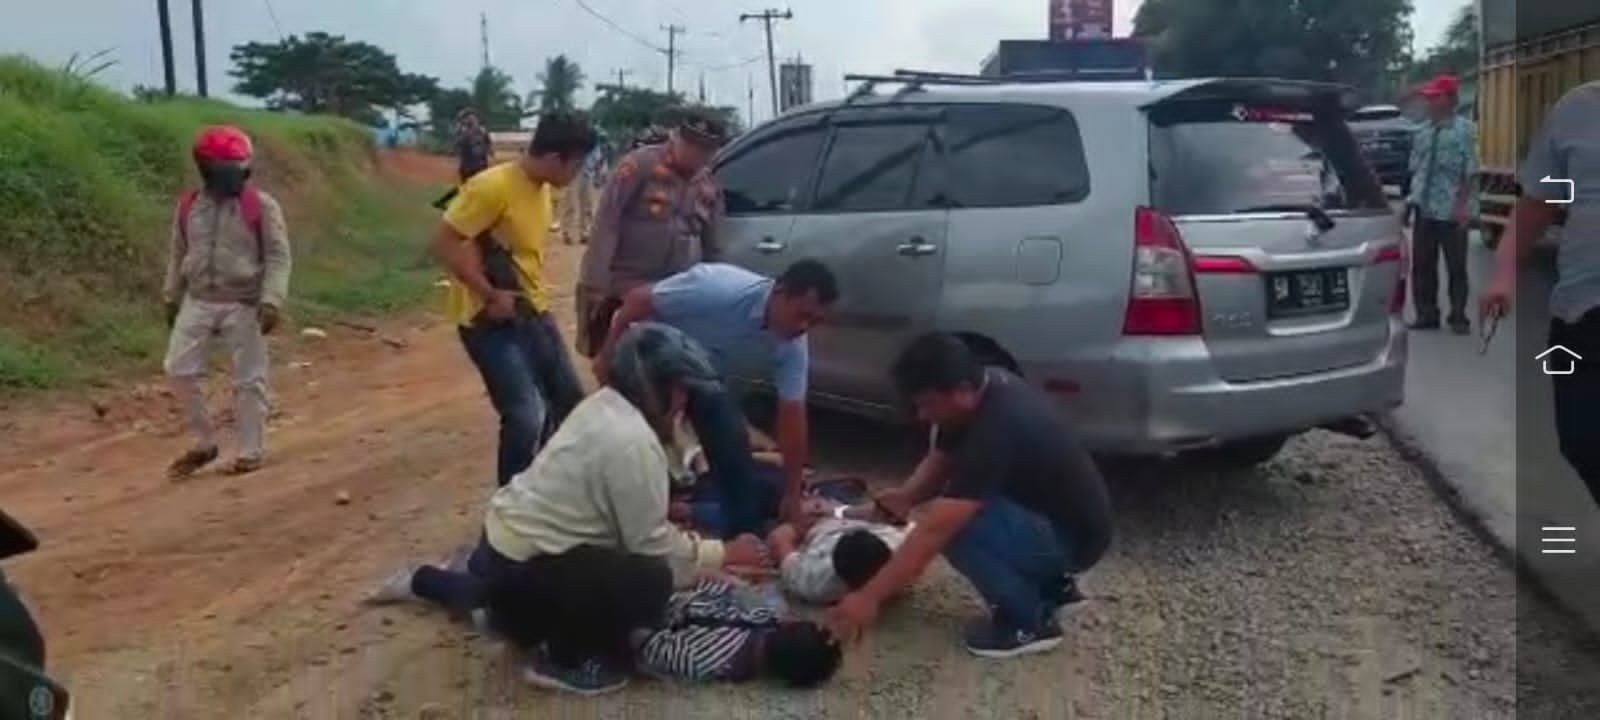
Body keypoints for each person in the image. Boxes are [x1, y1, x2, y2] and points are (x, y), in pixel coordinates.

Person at [365, 323, 772, 692]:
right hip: (524, 568)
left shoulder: (606, 406)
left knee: (512, 600)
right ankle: (564, 660)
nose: (684, 402)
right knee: (650, 584)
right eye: (680, 390)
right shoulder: (633, 442)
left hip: (508, 552)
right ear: (655, 388)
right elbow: (650, 546)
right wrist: (722, 553)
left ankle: (442, 583)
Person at [825, 333, 1113, 659]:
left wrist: (868, 597)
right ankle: (1054, 587)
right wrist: (906, 497)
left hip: (1072, 540)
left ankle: (1028, 622)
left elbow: (935, 531)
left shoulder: (997, 428)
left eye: (927, 404)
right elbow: (943, 456)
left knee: (956, 528)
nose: (921, 415)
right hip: (1059, 517)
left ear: (961, 391)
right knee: (953, 508)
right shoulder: (985, 388)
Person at [592, 260, 840, 537]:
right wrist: (608, 355)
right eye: (801, 315)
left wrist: (792, 495)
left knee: (732, 444)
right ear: (780, 292)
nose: (804, 327)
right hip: (650, 360)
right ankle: (622, 509)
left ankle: (741, 531)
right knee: (638, 443)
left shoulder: (792, 345)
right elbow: (637, 300)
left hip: (702, 376)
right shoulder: (717, 289)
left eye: (814, 322)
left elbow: (792, 417)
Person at [432, 110, 596, 487]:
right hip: (486, 320)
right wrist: (489, 293)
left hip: (532, 309)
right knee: (526, 415)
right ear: (555, 158)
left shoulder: (542, 189)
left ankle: (552, 489)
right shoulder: (491, 187)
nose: (578, 174)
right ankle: (512, 502)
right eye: (576, 165)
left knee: (569, 404)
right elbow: (445, 242)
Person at [1481, 81, 1600, 505]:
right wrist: (1502, 275)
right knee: (1580, 438)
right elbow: (1536, 205)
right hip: (1582, 311)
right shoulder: (1576, 109)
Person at [162, 125, 292, 478]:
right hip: (199, 299)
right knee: (178, 370)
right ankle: (205, 443)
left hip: (245, 302)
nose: (240, 176)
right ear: (207, 169)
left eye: (243, 168)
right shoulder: (189, 206)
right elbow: (178, 253)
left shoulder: (261, 206)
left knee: (249, 379)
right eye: (232, 169)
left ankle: (251, 451)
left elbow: (278, 257)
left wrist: (272, 300)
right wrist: (171, 296)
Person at [576, 110, 729, 358]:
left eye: (704, 150)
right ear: (676, 137)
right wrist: (595, 283)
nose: (695, 154)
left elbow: (714, 247)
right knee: (617, 361)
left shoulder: (708, 186)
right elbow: (607, 222)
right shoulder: (639, 166)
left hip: (673, 293)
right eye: (690, 145)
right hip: (624, 288)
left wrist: (716, 290)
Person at [485, 543, 675, 696]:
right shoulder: (558, 583)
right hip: (644, 579)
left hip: (636, 599)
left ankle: (595, 667)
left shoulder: (572, 600)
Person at [631, 574, 842, 687]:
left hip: (638, 601)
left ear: (788, 624)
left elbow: (638, 641)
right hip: (653, 595)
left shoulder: (757, 611)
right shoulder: (705, 661)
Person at [1406, 74, 1480, 335]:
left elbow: (1470, 171)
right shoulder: (1422, 131)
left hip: (1451, 208)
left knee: (1456, 266)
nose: (1430, 102)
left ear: (1450, 99)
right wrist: (1410, 203)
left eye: (1435, 97)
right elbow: (1416, 170)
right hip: (1424, 208)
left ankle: (1458, 315)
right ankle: (1427, 314)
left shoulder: (1465, 131)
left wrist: (1462, 206)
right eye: (1429, 97)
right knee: (1422, 266)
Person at [767, 504, 905, 606]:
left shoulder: (816, 583)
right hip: (835, 519)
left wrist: (797, 525)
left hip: (817, 528)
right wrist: (835, 511)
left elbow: (779, 539)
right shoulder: (900, 545)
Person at [454, 107, 493, 182]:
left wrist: (490, 152)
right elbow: (457, 145)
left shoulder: (482, 131)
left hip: (481, 165)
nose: (472, 119)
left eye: (474, 117)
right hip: (467, 166)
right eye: (468, 118)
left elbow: (488, 143)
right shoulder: (462, 131)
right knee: (467, 185)